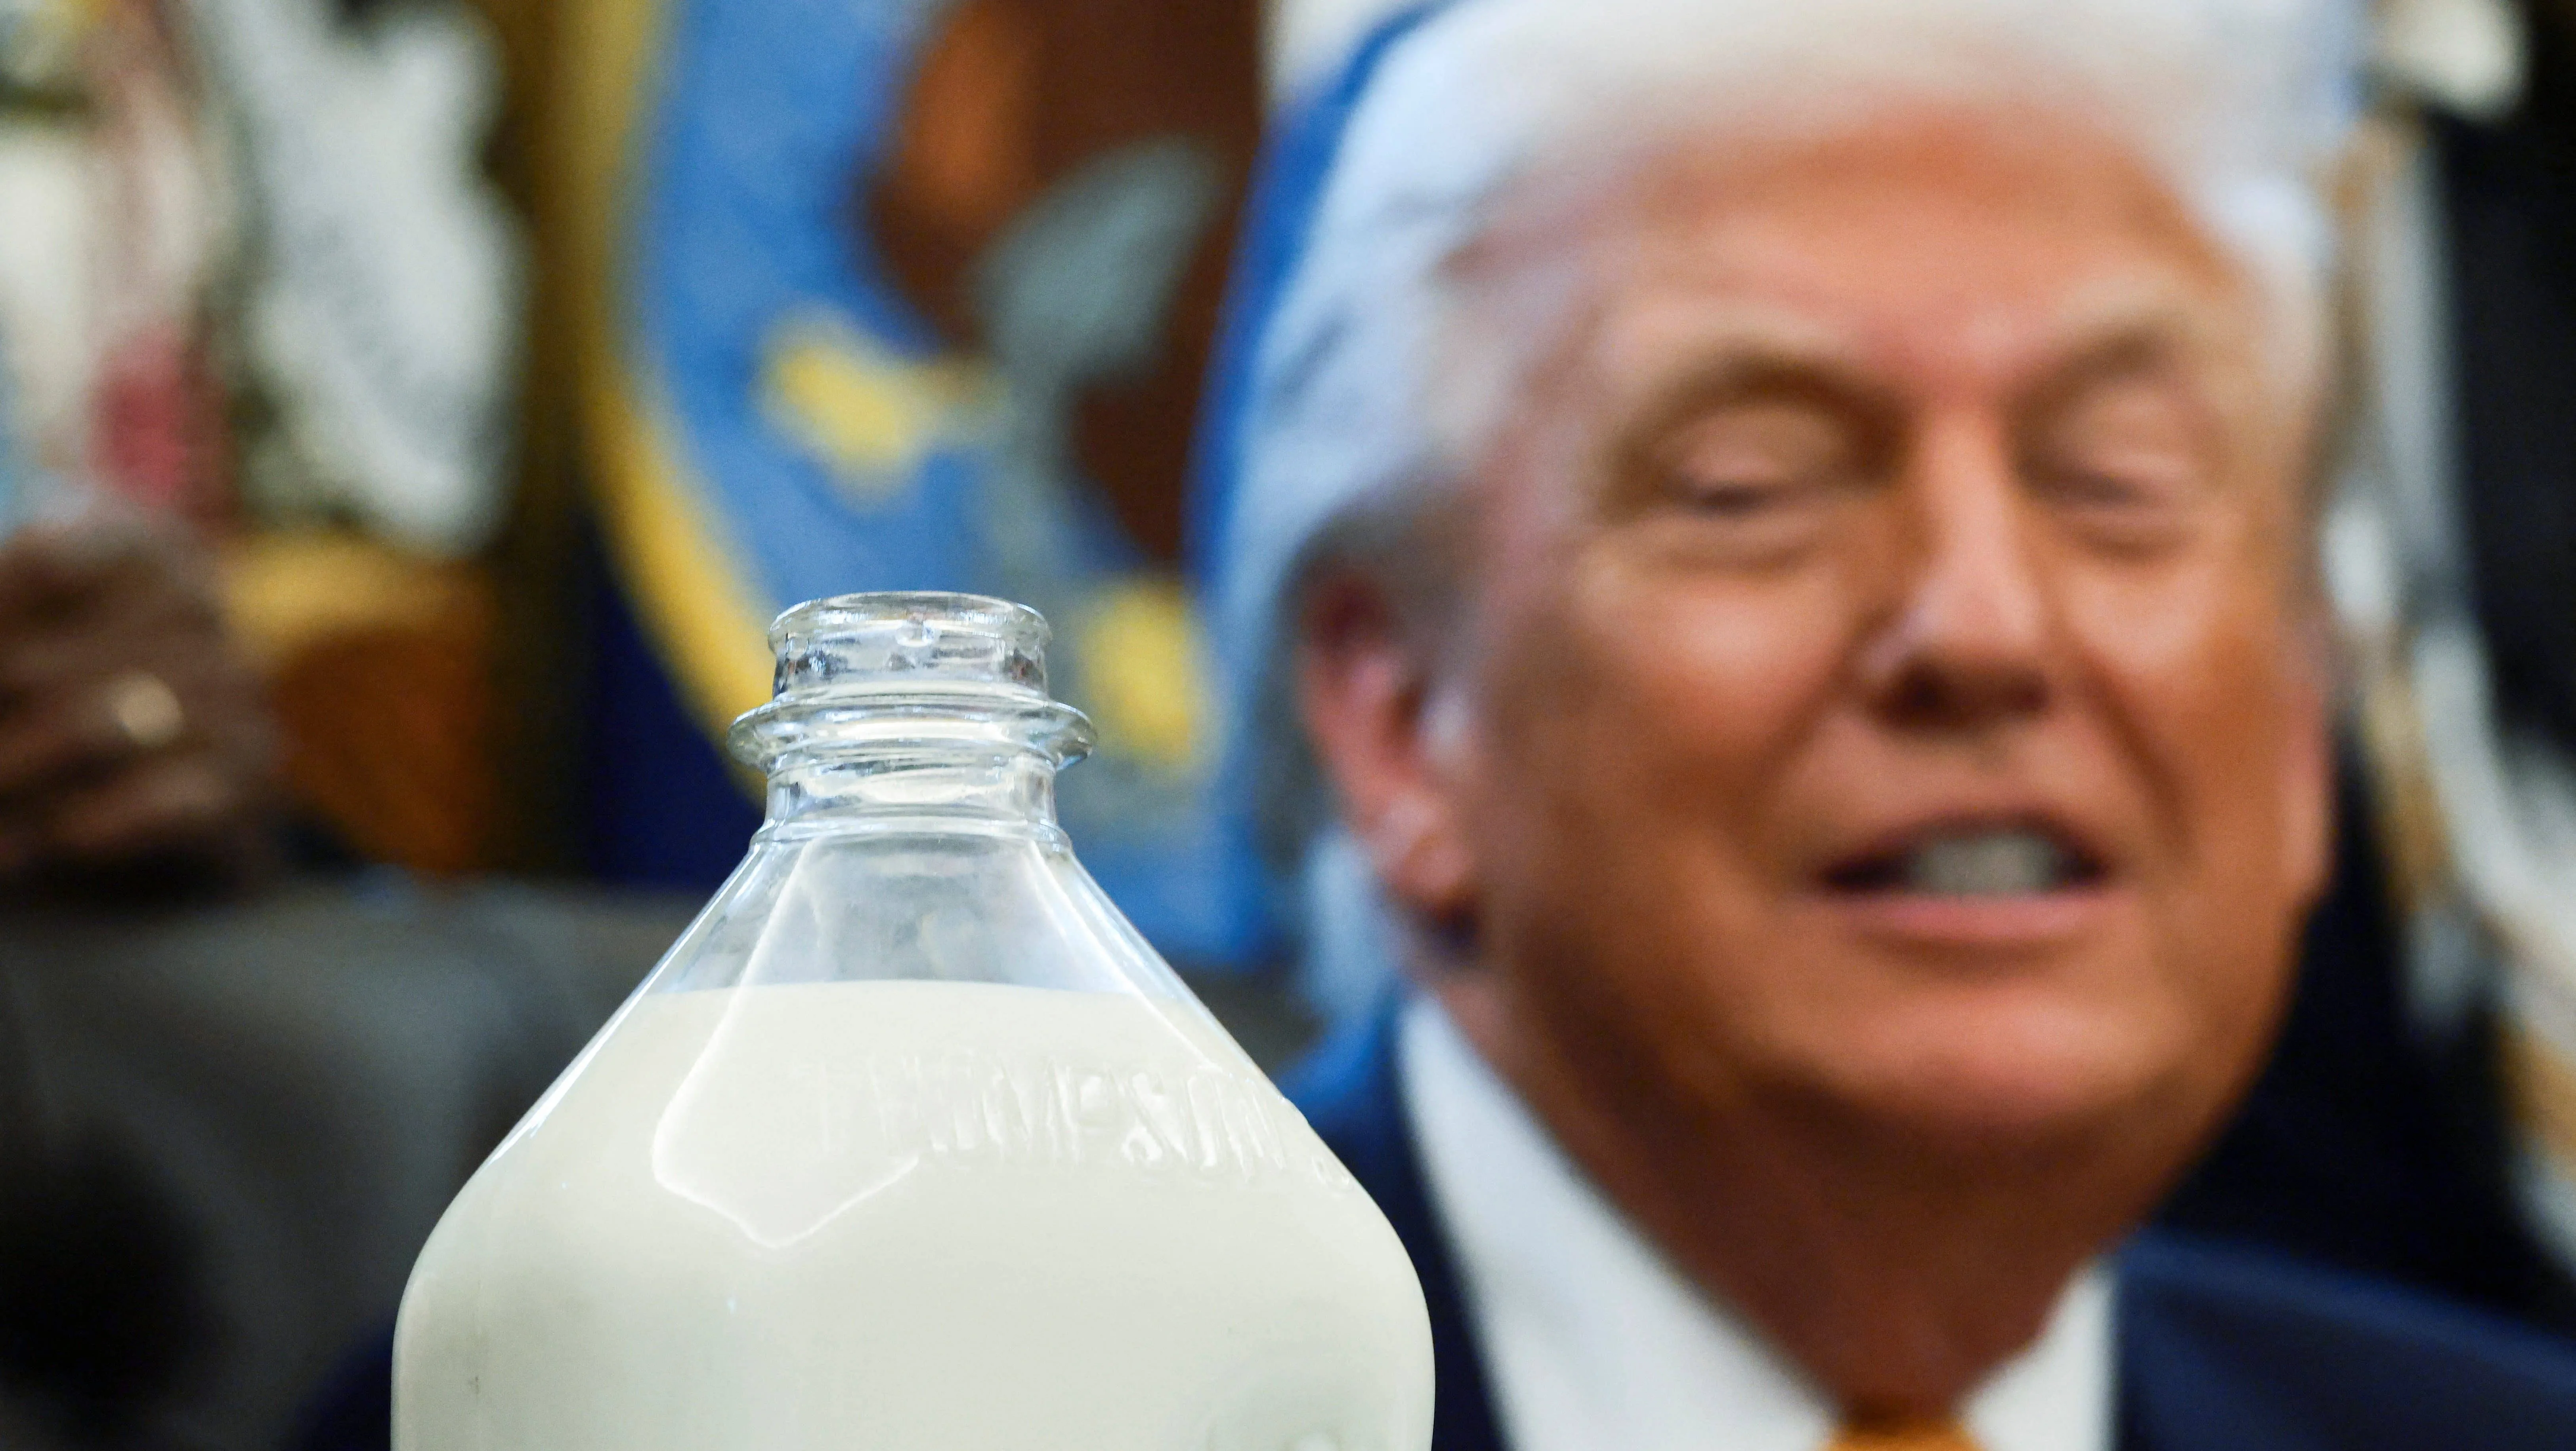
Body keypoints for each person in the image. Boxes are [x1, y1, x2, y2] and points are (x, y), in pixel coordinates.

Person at [1196, 0, 2576, 1444]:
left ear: (2307, 710)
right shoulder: (1046, 1388)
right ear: (1396, 715)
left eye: (2114, 479)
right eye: (1752, 486)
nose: (1983, 626)